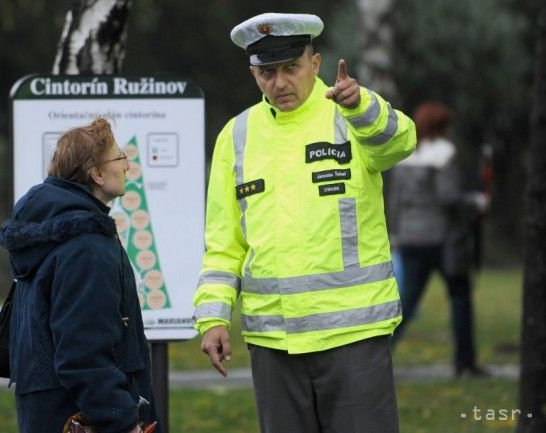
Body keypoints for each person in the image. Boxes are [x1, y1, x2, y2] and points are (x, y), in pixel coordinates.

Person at [192, 12, 416, 433]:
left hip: (352, 335)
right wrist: (214, 318)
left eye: (291, 68)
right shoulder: (235, 135)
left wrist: (363, 106)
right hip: (273, 343)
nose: (279, 83)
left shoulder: (350, 114)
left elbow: (401, 142)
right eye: (266, 72)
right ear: (253, 73)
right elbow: (223, 243)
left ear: (315, 63)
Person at [0, 118, 157, 433]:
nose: (127, 166)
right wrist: (123, 421)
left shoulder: (50, 234)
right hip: (85, 418)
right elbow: (83, 356)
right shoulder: (87, 247)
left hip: (48, 413)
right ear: (97, 173)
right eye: (119, 157)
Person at [387, 102, 489, 377]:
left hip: (410, 237)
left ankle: (381, 357)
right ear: (443, 127)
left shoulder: (403, 153)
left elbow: (394, 200)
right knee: (460, 297)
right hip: (441, 239)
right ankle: (464, 362)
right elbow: (448, 198)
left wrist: (396, 233)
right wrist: (476, 202)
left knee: (406, 303)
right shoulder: (446, 154)